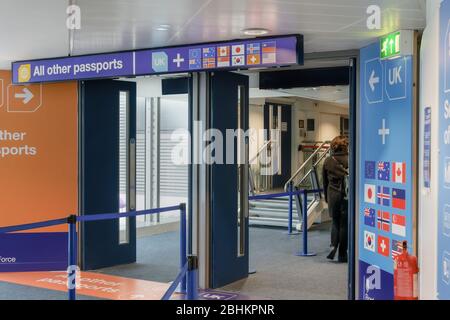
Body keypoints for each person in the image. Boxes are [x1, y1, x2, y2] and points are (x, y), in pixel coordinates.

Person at [322, 136, 349, 263]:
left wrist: (326, 198)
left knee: (335, 222)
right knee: (344, 224)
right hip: (345, 195)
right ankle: (342, 254)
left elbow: (324, 181)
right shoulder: (350, 160)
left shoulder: (328, 161)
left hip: (332, 195)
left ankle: (333, 246)